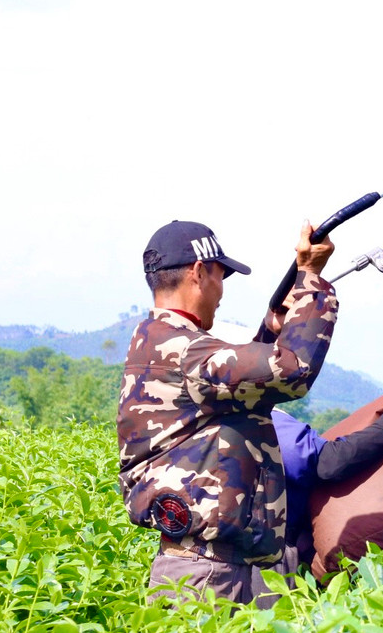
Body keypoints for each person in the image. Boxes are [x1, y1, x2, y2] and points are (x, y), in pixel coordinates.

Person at [118, 219, 340, 606]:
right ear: (198, 272)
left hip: (204, 567)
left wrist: (272, 330)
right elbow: (292, 371)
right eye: (221, 276)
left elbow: (238, 389)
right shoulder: (184, 350)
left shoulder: (156, 341)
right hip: (206, 578)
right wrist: (310, 280)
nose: (222, 291)